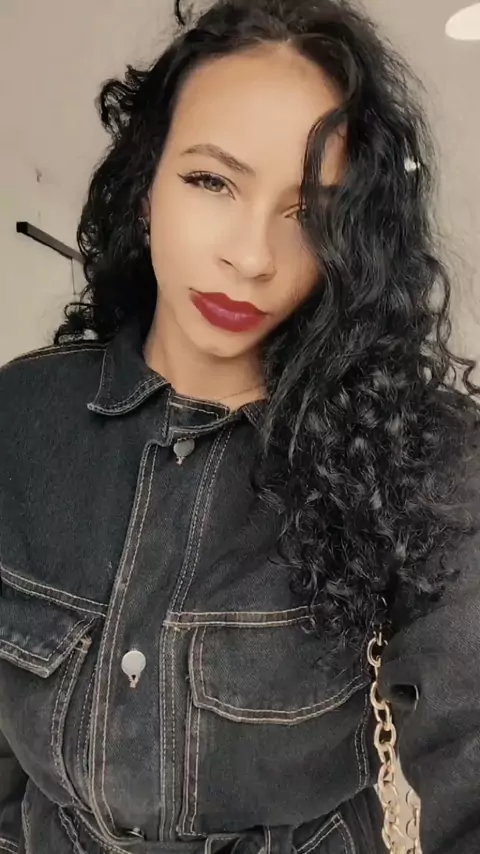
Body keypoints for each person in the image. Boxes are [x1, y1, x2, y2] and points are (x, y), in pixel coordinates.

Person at [1, 0, 479, 851]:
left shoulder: (424, 463)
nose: (252, 257)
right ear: (145, 187)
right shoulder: (22, 420)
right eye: (212, 181)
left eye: (311, 214)